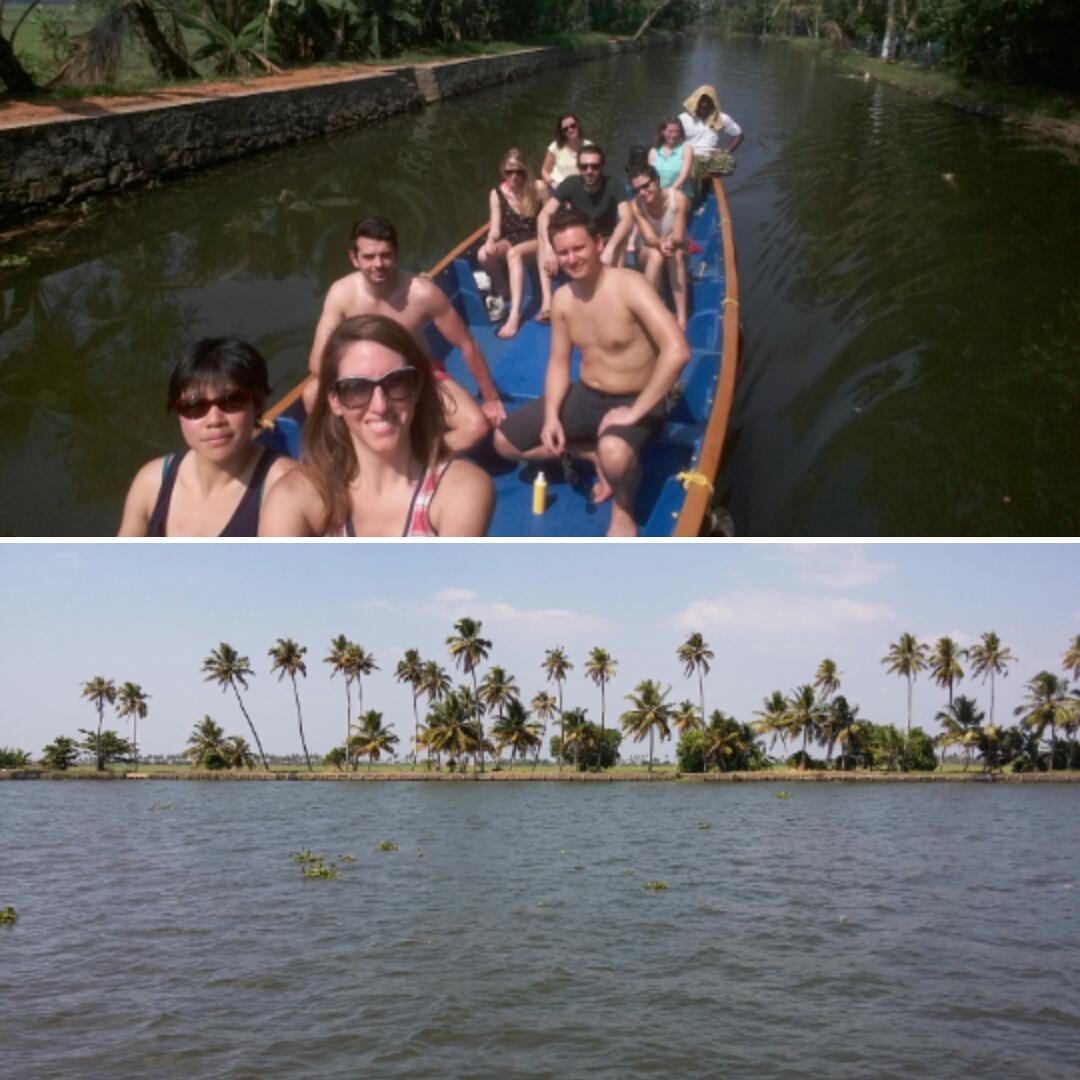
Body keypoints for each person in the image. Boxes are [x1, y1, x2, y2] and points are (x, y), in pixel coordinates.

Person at [494, 209, 690, 537]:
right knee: (504, 442)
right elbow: (558, 363)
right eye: (563, 252)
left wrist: (633, 413)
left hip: (638, 397)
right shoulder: (562, 300)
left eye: (579, 248)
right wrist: (552, 416)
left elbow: (677, 350)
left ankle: (623, 509)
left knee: (615, 452)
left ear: (598, 244)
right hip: (587, 394)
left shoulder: (629, 285)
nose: (572, 259)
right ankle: (590, 455)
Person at [261, 315, 494, 537]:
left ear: (416, 389)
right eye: (356, 388)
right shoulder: (295, 496)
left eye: (397, 382)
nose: (380, 406)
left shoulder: (461, 487)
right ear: (335, 401)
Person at [304, 216, 505, 452]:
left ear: (396, 254)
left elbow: (466, 344)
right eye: (369, 256)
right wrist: (361, 384)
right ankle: (357, 453)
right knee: (312, 393)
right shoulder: (341, 293)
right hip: (364, 378)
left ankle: (417, 457)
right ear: (354, 258)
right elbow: (317, 362)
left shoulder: (421, 293)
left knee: (476, 426)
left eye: (385, 255)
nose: (378, 264)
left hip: (417, 374)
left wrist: (491, 399)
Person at [118, 338, 295, 536]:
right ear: (178, 413)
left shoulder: (286, 489)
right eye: (194, 406)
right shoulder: (151, 482)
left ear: (258, 403)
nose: (214, 420)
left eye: (232, 401)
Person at [534, 145, 635, 323]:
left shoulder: (614, 184)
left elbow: (627, 217)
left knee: (621, 237)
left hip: (603, 238)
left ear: (602, 167)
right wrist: (549, 248)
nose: (589, 171)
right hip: (578, 237)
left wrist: (610, 248)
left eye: (594, 166)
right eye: (584, 167)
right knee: (542, 241)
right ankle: (547, 302)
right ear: (578, 168)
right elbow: (544, 215)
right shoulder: (570, 184)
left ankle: (613, 297)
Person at [477, 148, 546, 340]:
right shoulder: (497, 193)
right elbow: (495, 228)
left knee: (514, 254)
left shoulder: (537, 188)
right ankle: (504, 290)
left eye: (519, 171)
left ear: (525, 171)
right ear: (503, 171)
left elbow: (550, 217)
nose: (514, 176)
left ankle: (514, 314)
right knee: (483, 254)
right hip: (511, 238)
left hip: (535, 238)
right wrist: (490, 241)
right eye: (509, 172)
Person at [628, 165, 690, 330]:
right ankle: (647, 314)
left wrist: (669, 244)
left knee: (676, 254)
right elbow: (649, 238)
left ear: (656, 181)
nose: (642, 192)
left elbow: (678, 236)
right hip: (649, 249)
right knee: (656, 255)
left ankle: (681, 316)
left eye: (646, 186)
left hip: (674, 245)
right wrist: (660, 244)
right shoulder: (636, 205)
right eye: (637, 190)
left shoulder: (678, 199)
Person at [679, 85, 743, 190]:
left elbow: (739, 134)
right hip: (688, 156)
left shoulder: (721, 118)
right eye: (701, 101)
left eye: (707, 101)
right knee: (692, 167)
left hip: (710, 158)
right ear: (696, 102)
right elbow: (671, 136)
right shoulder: (684, 118)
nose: (704, 104)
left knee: (730, 161)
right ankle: (690, 192)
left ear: (713, 103)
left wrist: (726, 151)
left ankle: (704, 189)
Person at [540, 114, 592, 193]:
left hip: (580, 187)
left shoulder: (589, 146)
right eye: (565, 129)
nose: (570, 130)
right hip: (557, 186)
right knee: (538, 185)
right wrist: (552, 183)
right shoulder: (555, 146)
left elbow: (594, 170)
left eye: (573, 126)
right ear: (562, 132)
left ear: (578, 125)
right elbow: (544, 171)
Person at [649, 116, 693, 196]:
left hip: (680, 194)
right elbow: (650, 177)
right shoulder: (653, 151)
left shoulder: (686, 150)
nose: (674, 135)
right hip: (659, 194)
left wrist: (669, 192)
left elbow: (683, 176)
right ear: (662, 132)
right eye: (670, 131)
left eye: (677, 131)